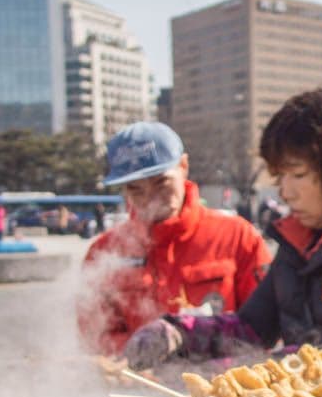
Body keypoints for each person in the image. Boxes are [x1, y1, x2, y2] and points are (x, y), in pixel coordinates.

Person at [122, 85, 322, 397]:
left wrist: (215, 379)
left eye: (297, 175)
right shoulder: (300, 241)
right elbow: (250, 329)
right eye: (279, 178)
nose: (285, 192)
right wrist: (179, 333)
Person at [77, 121, 272, 356]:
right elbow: (94, 332)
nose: (151, 199)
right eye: (136, 189)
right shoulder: (105, 251)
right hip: (137, 385)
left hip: (222, 385)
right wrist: (132, 355)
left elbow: (264, 324)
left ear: (183, 166)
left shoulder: (238, 236)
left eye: (162, 183)